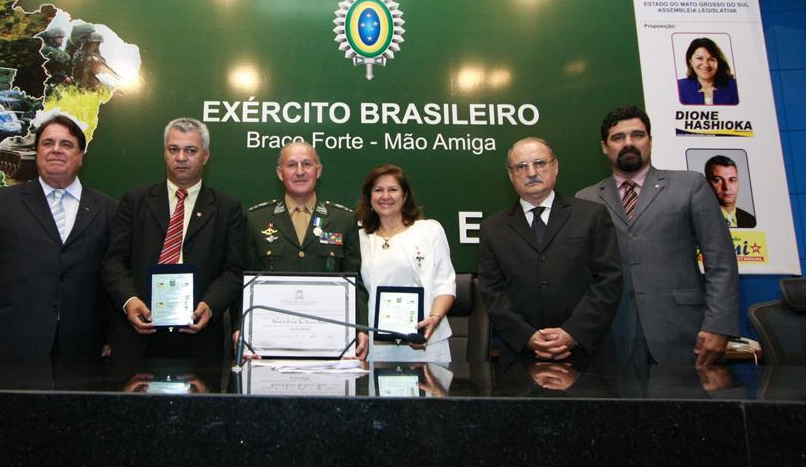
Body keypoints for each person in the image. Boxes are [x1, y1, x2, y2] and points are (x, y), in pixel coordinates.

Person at [576, 105, 740, 366]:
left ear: (650, 141)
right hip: (613, 335)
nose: (628, 143)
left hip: (685, 332)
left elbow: (721, 261)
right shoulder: (585, 199)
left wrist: (719, 325)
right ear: (604, 147)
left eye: (637, 135)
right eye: (618, 137)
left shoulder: (690, 186)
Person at [0, 114, 117, 358]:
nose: (56, 150)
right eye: (48, 143)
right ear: (37, 152)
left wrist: (113, 339)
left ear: (80, 157)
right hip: (11, 342)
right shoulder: (0, 203)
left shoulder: (109, 209)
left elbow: (114, 277)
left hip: (84, 347)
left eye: (66, 144)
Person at [102, 118, 246, 360]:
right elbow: (114, 262)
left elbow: (234, 270)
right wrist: (129, 301)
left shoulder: (227, 207)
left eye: (191, 150)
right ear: (164, 154)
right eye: (174, 149)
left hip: (199, 337)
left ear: (206, 156)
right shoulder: (135, 201)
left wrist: (210, 305)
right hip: (136, 335)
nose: (181, 157)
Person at [479, 137, 621, 363]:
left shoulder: (591, 215)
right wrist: (528, 336)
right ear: (511, 175)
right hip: (521, 355)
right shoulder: (492, 228)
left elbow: (608, 280)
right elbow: (492, 292)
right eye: (521, 167)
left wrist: (572, 333)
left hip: (587, 350)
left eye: (540, 163)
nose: (531, 172)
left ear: (555, 167)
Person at [241, 142, 368, 358]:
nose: (300, 172)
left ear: (318, 171)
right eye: (292, 165)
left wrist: (361, 326)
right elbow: (243, 280)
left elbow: (354, 280)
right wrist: (240, 327)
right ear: (280, 173)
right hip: (269, 340)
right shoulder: (256, 219)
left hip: (330, 339)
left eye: (307, 164)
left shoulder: (342, 219)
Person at [357, 164, 455, 363]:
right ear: (369, 198)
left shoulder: (429, 231)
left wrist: (434, 319)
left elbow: (445, 283)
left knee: (429, 392)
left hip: (426, 341)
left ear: (405, 195)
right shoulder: (360, 238)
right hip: (379, 345)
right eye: (378, 190)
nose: (385, 196)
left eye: (393, 189)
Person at [677, 37, 739, 105]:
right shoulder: (678, 87)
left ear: (718, 62)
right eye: (700, 58)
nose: (706, 65)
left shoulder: (736, 87)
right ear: (691, 62)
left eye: (711, 59)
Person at [704, 155, 757, 228]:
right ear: (706, 183)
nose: (727, 187)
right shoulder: (697, 220)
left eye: (732, 180)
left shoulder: (751, 220)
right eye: (718, 180)